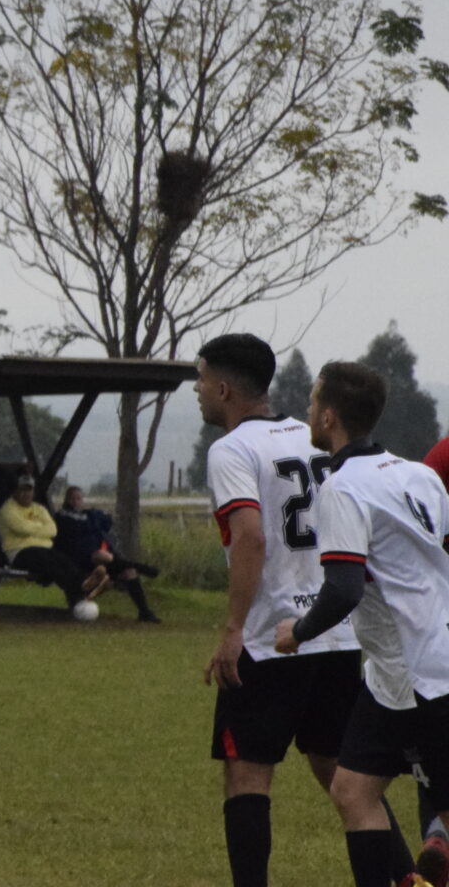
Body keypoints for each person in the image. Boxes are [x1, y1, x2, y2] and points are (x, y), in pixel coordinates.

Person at [198, 333, 374, 887]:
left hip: (271, 638)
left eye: (200, 378)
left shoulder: (231, 450)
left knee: (247, 775)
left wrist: (233, 629)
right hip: (334, 632)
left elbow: (249, 537)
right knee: (349, 781)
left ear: (223, 389)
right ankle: (404, 879)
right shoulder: (312, 436)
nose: (197, 390)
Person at [271, 361, 449, 887]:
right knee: (352, 790)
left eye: (311, 402)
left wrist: (298, 632)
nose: (307, 411)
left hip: (423, 677)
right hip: (395, 676)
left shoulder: (343, 488)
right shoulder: (417, 474)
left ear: (328, 417)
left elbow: (344, 589)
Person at [57, 485, 161, 623]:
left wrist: (93, 519)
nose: (76, 501)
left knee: (129, 571)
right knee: (102, 556)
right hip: (80, 558)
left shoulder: (88, 515)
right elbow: (79, 530)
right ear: (67, 500)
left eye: (79, 498)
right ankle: (141, 567)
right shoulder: (63, 516)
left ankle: (144, 612)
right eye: (73, 499)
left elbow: (106, 521)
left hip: (103, 559)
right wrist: (93, 523)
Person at [0, 473, 96, 609]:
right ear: (15, 491)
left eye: (29, 490)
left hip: (44, 549)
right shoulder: (8, 509)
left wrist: (32, 529)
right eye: (22, 490)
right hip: (19, 553)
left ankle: (84, 585)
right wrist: (40, 528)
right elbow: (22, 528)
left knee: (63, 559)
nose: (26, 494)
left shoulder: (39, 509)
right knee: (49, 562)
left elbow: (52, 530)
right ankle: (78, 593)